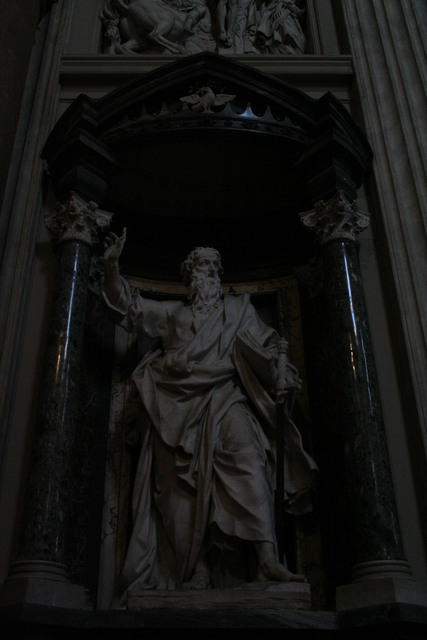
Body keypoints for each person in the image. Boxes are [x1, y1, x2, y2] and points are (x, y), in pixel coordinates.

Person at [102, 228, 316, 596]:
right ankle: (195, 570)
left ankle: (266, 560)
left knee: (248, 458)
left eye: (216, 270)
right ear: (191, 277)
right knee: (184, 494)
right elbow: (133, 308)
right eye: (204, 269)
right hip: (177, 411)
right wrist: (110, 268)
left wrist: (283, 372)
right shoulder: (174, 316)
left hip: (227, 399)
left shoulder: (239, 312)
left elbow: (269, 349)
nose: (211, 276)